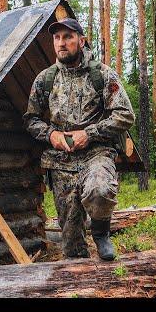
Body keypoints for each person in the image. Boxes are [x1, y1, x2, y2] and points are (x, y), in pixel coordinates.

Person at [23, 17, 135, 260]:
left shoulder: (102, 75)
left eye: (68, 37)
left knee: (100, 189)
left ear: (81, 41)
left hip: (96, 154)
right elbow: (31, 119)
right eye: (57, 38)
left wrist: (90, 133)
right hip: (61, 162)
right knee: (72, 245)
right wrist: (51, 134)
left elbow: (126, 115)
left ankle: (101, 233)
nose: (61, 43)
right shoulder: (45, 79)